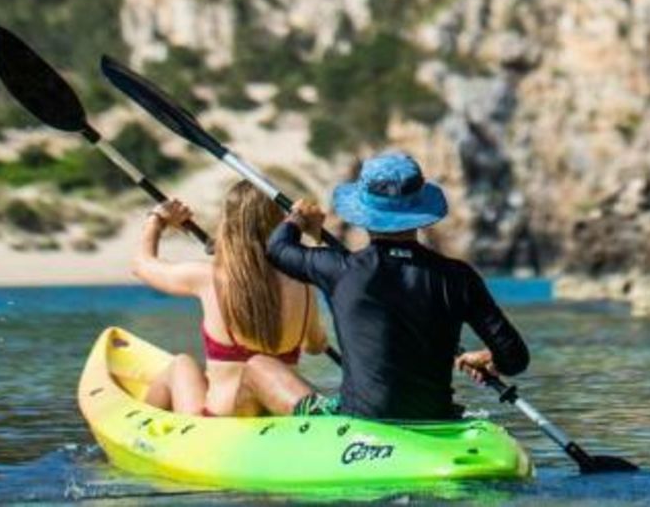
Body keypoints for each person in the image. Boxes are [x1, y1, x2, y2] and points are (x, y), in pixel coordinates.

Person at [266, 150, 529, 421]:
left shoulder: (339, 269)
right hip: (436, 419)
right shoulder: (457, 277)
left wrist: (298, 219)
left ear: (365, 212)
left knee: (258, 367)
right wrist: (491, 360)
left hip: (364, 419)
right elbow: (515, 358)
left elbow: (277, 249)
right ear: (418, 211)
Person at [131, 180, 328, 417]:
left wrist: (157, 220)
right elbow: (316, 346)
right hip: (274, 418)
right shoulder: (303, 283)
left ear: (228, 224)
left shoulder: (208, 277)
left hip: (219, 422)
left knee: (181, 365)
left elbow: (141, 266)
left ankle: (138, 429)